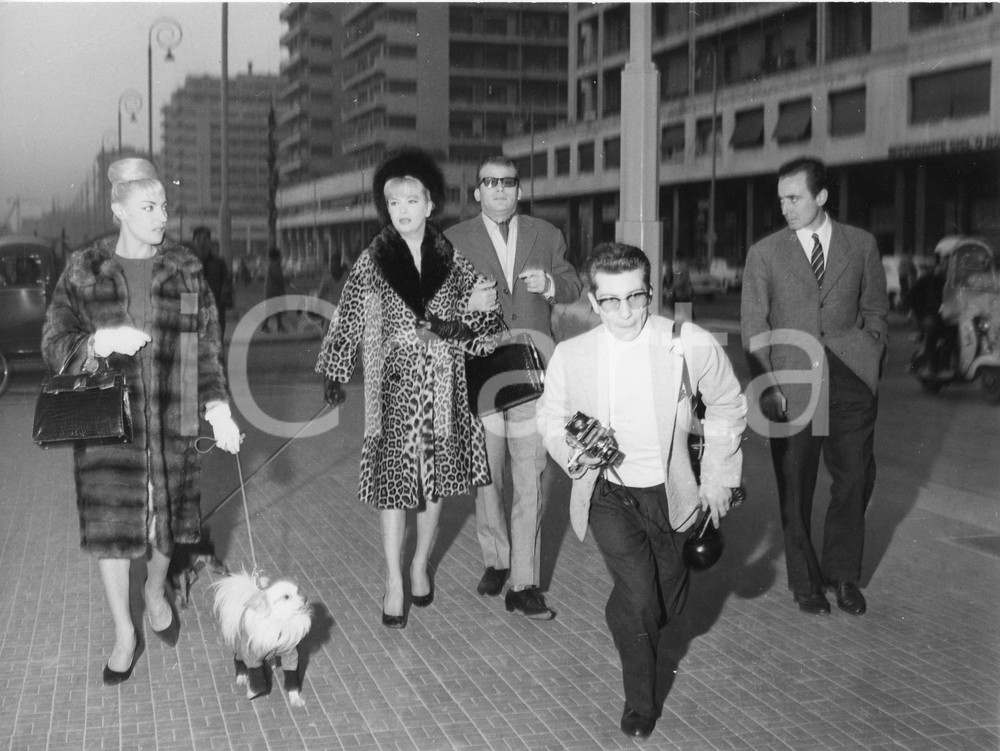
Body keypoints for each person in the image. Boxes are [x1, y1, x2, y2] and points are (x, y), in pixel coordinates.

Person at [40, 158, 242, 686]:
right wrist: (96, 342)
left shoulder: (185, 269)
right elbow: (54, 342)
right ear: (119, 210)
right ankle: (124, 634)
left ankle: (155, 588)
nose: (162, 217)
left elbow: (205, 347)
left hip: (174, 414)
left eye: (164, 207)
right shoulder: (85, 269)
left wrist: (216, 406)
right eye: (149, 208)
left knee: (167, 519)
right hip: (108, 421)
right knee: (110, 529)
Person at [537, 242, 746, 738]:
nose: (625, 311)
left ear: (651, 292)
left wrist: (717, 477)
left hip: (673, 494)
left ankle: (624, 609)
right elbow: (550, 416)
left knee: (665, 606)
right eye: (610, 300)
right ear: (592, 300)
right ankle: (641, 702)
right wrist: (574, 451)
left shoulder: (685, 342)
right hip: (609, 494)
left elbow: (728, 405)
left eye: (636, 297)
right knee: (639, 596)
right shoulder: (573, 354)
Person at [315, 148, 502, 629]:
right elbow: (350, 313)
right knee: (394, 486)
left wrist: (478, 307)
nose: (401, 210)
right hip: (391, 388)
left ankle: (421, 563)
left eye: (411, 200)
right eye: (392, 202)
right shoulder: (374, 258)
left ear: (430, 204)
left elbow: (483, 334)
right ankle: (395, 580)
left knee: (434, 480)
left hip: (442, 385)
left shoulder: (452, 261)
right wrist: (335, 369)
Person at [741, 156, 889, 617]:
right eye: (781, 199)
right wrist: (767, 383)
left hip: (850, 377)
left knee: (855, 479)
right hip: (793, 380)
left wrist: (870, 356)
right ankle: (806, 584)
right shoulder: (765, 253)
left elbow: (877, 310)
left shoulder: (861, 245)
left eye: (794, 197)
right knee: (796, 484)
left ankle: (842, 576)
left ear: (821, 196)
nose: (785, 207)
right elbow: (753, 325)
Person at [445, 155, 582, 619]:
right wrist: (467, 301)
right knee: (488, 471)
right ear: (477, 192)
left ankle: (524, 582)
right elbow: (436, 305)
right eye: (490, 182)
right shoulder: (454, 240)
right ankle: (496, 557)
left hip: (532, 369)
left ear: (519, 191)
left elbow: (572, 283)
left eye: (508, 182)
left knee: (531, 473)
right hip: (480, 368)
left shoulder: (547, 234)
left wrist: (549, 284)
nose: (499, 189)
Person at [908, 238, 958, 374]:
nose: (949, 263)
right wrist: (922, 312)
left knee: (957, 332)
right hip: (929, 316)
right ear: (940, 260)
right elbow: (911, 298)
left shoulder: (954, 281)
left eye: (952, 259)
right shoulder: (927, 278)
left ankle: (947, 362)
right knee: (932, 324)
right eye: (946, 259)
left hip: (948, 316)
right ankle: (929, 359)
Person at [191, 227, 233, 343]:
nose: (202, 242)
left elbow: (226, 284)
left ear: (210, 242)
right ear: (193, 242)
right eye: (199, 239)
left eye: (205, 239)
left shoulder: (219, 263)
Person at [262, 247, 286, 333]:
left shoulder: (273, 265)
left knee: (276, 309)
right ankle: (265, 326)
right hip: (274, 291)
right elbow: (278, 278)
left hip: (272, 291)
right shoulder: (274, 266)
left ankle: (279, 325)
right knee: (271, 309)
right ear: (277, 257)